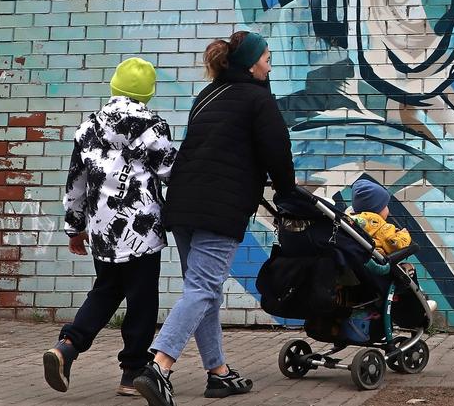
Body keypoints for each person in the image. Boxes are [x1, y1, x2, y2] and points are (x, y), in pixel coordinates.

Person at [133, 31, 296, 406]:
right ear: (252, 62)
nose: (270, 63)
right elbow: (278, 152)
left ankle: (218, 372)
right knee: (204, 288)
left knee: (204, 289)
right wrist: (286, 193)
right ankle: (159, 366)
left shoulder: (207, 96)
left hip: (185, 204)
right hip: (220, 207)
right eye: (267, 58)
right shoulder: (259, 99)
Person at [43, 58, 175, 396]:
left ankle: (67, 346)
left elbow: (75, 184)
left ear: (114, 87)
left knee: (105, 291)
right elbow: (170, 173)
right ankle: (132, 373)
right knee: (142, 300)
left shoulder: (87, 128)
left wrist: (75, 228)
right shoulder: (152, 127)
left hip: (103, 231)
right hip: (141, 233)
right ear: (148, 92)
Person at [349, 178, 412, 256]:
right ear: (377, 209)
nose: (387, 208)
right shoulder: (378, 225)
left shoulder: (353, 221)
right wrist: (404, 234)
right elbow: (396, 244)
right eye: (386, 205)